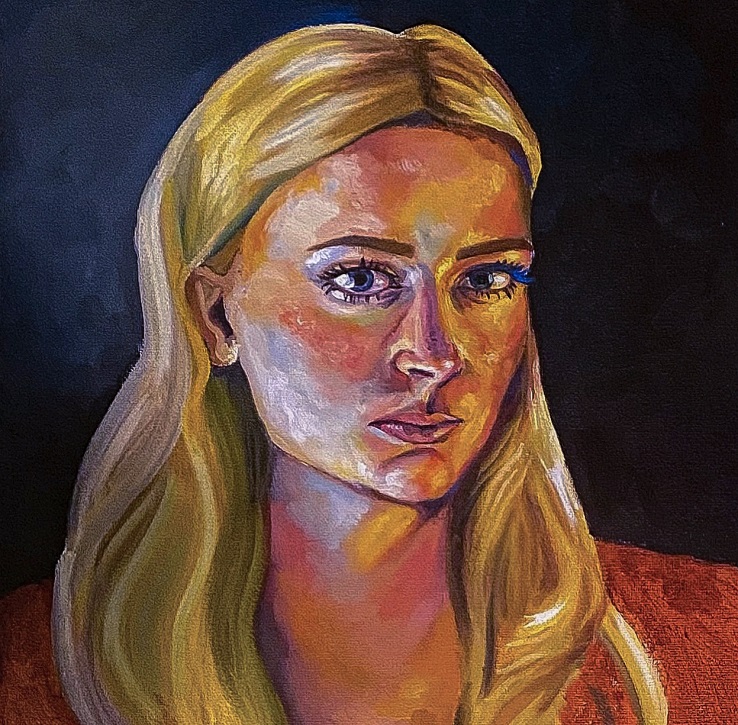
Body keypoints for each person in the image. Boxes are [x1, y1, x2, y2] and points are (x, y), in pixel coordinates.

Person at [1, 22, 737, 725]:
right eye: (358, 280)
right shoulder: (36, 672)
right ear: (215, 317)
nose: (435, 354)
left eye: (486, 280)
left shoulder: (704, 643)